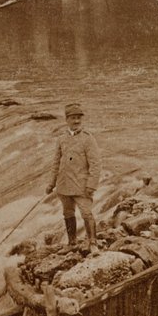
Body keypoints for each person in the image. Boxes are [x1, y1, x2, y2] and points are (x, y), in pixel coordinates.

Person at [47, 102, 102, 252]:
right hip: (63, 185)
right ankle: (72, 243)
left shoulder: (88, 139)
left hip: (81, 186)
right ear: (67, 120)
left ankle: (93, 243)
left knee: (86, 213)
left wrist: (91, 185)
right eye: (73, 118)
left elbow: (96, 164)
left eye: (79, 118)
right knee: (68, 213)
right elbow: (56, 163)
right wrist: (51, 184)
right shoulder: (61, 139)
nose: (76, 121)